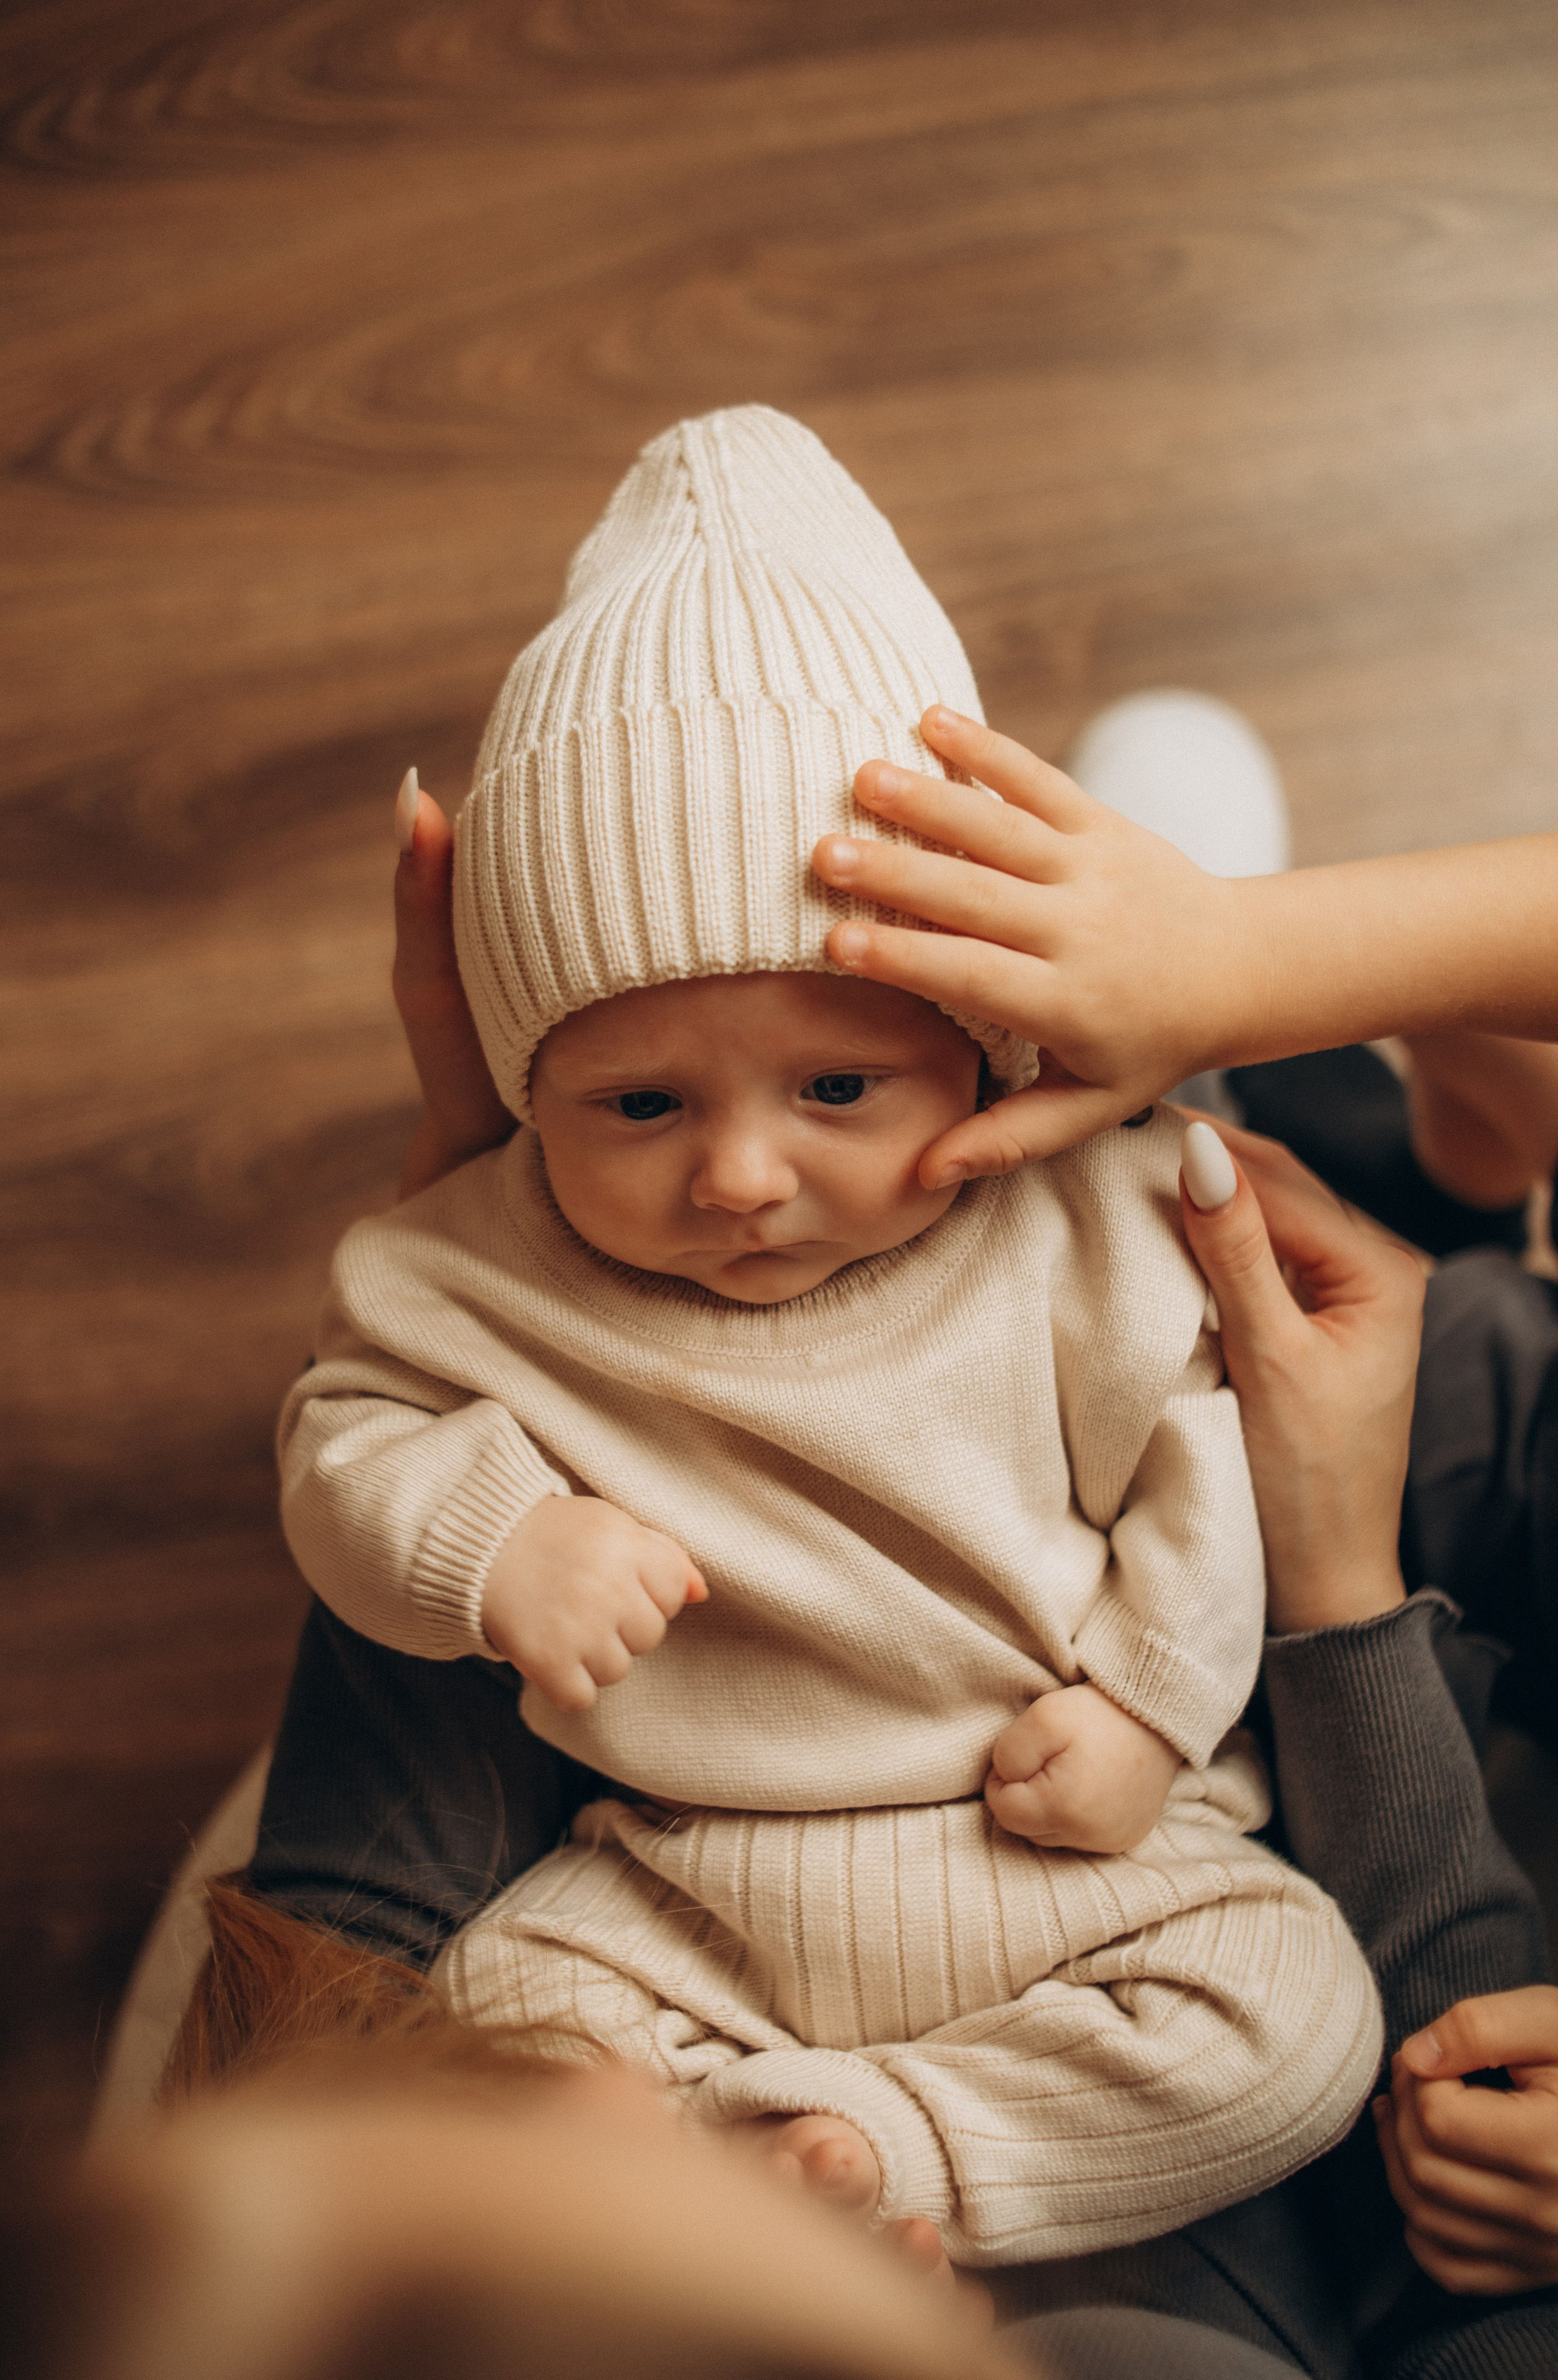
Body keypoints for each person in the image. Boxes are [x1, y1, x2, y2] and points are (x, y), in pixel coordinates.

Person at [271, 406, 1380, 2264]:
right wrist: (492, 1543)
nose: (740, 1178)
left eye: (839, 1082)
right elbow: (340, 1437)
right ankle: (791, 2174)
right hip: (684, 1886)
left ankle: (883, 2151)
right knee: (479, 2032)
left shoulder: (1080, 1219)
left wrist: (1146, 1704)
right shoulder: (477, 1265)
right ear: (527, 1087)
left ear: (986, 1042)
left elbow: (1199, 1461)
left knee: (1304, 2014)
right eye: (638, 1107)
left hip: (1062, 1857)